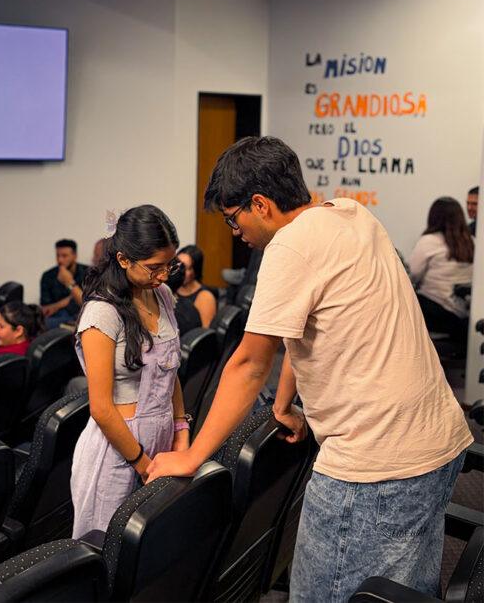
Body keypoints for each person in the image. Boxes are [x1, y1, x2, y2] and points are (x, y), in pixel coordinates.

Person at [147, 136, 472, 603]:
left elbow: (248, 364)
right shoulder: (351, 214)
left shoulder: (289, 248)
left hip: (375, 468)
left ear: (259, 204)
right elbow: (308, 328)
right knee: (400, 594)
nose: (235, 233)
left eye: (233, 219)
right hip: (435, 443)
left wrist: (193, 456)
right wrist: (284, 405)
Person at [69, 205, 190, 539]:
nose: (164, 275)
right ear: (123, 260)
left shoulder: (162, 295)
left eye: (169, 264)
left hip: (162, 440)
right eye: (154, 267)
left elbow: (170, 370)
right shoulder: (102, 313)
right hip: (118, 450)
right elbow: (102, 409)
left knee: (149, 548)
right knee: (105, 550)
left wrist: (181, 429)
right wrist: (142, 463)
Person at [409, 196, 474, 345]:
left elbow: (412, 276)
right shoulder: (473, 242)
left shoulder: (429, 241)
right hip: (462, 314)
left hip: (434, 311)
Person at [40, 239, 89, 329]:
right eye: (57, 256)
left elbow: (86, 302)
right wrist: (70, 299)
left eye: (64, 256)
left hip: (80, 316)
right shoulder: (48, 276)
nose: (60, 260)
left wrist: (68, 283)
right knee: (44, 323)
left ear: (75, 256)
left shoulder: (87, 272)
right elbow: (46, 308)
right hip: (57, 317)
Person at [174, 244, 217, 328]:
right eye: (177, 265)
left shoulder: (205, 297)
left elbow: (204, 336)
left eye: (184, 268)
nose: (179, 271)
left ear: (195, 272)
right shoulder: (170, 289)